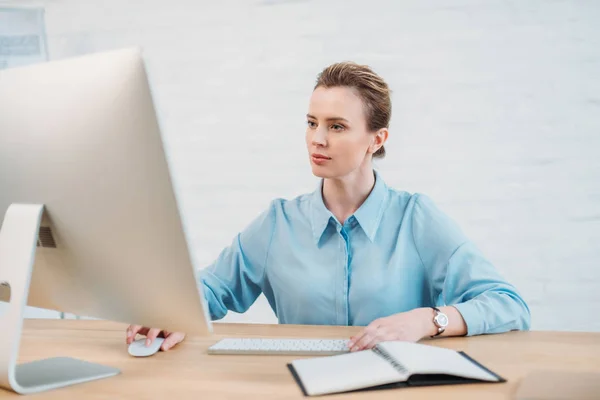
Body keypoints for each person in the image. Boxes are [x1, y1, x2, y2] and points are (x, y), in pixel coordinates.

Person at [126, 61, 531, 352]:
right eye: (311, 122)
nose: (317, 139)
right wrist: (168, 312)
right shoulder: (277, 223)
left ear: (376, 139)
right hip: (299, 385)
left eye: (336, 126)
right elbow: (213, 289)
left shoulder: (416, 219)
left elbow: (507, 305)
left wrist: (427, 320)